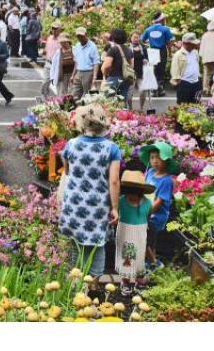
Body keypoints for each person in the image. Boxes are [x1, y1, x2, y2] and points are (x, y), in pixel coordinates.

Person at [59, 103, 121, 280]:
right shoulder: (111, 148)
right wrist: (115, 207)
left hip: (74, 203)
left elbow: (68, 170)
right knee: (97, 244)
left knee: (75, 242)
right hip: (97, 206)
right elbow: (114, 181)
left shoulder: (71, 144)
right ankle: (93, 284)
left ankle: (74, 283)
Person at [139, 142, 177, 268]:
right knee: (148, 239)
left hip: (156, 215)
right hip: (145, 210)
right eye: (152, 157)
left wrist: (145, 213)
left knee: (145, 240)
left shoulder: (166, 180)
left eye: (159, 157)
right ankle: (149, 262)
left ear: (166, 160)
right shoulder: (149, 172)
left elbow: (159, 202)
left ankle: (154, 264)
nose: (155, 161)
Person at [116, 170, 153, 296]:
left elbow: (147, 218)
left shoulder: (147, 204)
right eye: (128, 191)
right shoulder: (120, 202)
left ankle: (139, 279)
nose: (131, 195)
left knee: (139, 257)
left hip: (140, 234)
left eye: (135, 192)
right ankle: (125, 281)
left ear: (141, 192)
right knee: (126, 258)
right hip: (125, 233)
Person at [141, 12, 173, 97]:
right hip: (162, 50)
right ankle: (160, 88)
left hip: (152, 51)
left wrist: (149, 43)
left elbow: (142, 40)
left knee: (154, 69)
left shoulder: (149, 29)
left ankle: (153, 90)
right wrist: (170, 53)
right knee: (161, 69)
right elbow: (168, 42)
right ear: (161, 20)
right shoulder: (165, 29)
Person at [102, 28, 133, 106]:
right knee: (122, 102)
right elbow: (132, 65)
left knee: (108, 102)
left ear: (113, 37)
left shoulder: (113, 49)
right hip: (126, 79)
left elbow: (107, 65)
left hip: (113, 77)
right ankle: (123, 116)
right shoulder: (129, 50)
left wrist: (105, 74)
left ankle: (111, 117)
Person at [170, 32, 201, 104]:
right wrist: (178, 82)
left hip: (196, 82)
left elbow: (197, 64)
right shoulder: (178, 54)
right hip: (184, 83)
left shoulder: (195, 52)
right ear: (186, 43)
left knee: (196, 105)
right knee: (183, 106)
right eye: (193, 43)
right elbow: (174, 70)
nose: (195, 45)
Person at [70, 27, 100, 100]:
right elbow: (76, 62)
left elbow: (96, 63)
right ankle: (74, 110)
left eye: (81, 36)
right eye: (78, 36)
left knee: (88, 96)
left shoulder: (92, 46)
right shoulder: (77, 46)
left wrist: (94, 77)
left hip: (88, 72)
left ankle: (88, 110)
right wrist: (73, 75)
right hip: (78, 72)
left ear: (85, 34)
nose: (79, 38)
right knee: (74, 95)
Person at [199, 21, 214, 96]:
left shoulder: (205, 35)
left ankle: (205, 89)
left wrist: (201, 56)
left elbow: (202, 47)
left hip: (207, 57)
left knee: (206, 73)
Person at [128, 32, 149, 112]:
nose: (136, 39)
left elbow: (147, 58)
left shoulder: (143, 48)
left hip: (141, 73)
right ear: (131, 38)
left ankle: (141, 108)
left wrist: (145, 60)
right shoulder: (127, 48)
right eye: (134, 37)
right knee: (129, 93)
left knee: (143, 92)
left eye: (138, 37)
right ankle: (130, 109)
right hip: (131, 73)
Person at [41, 21, 63, 96]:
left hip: (57, 65)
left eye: (55, 28)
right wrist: (44, 52)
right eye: (52, 28)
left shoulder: (62, 40)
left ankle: (60, 102)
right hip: (48, 63)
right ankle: (46, 99)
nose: (53, 30)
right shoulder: (49, 38)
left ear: (59, 29)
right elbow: (46, 49)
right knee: (45, 82)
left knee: (59, 85)